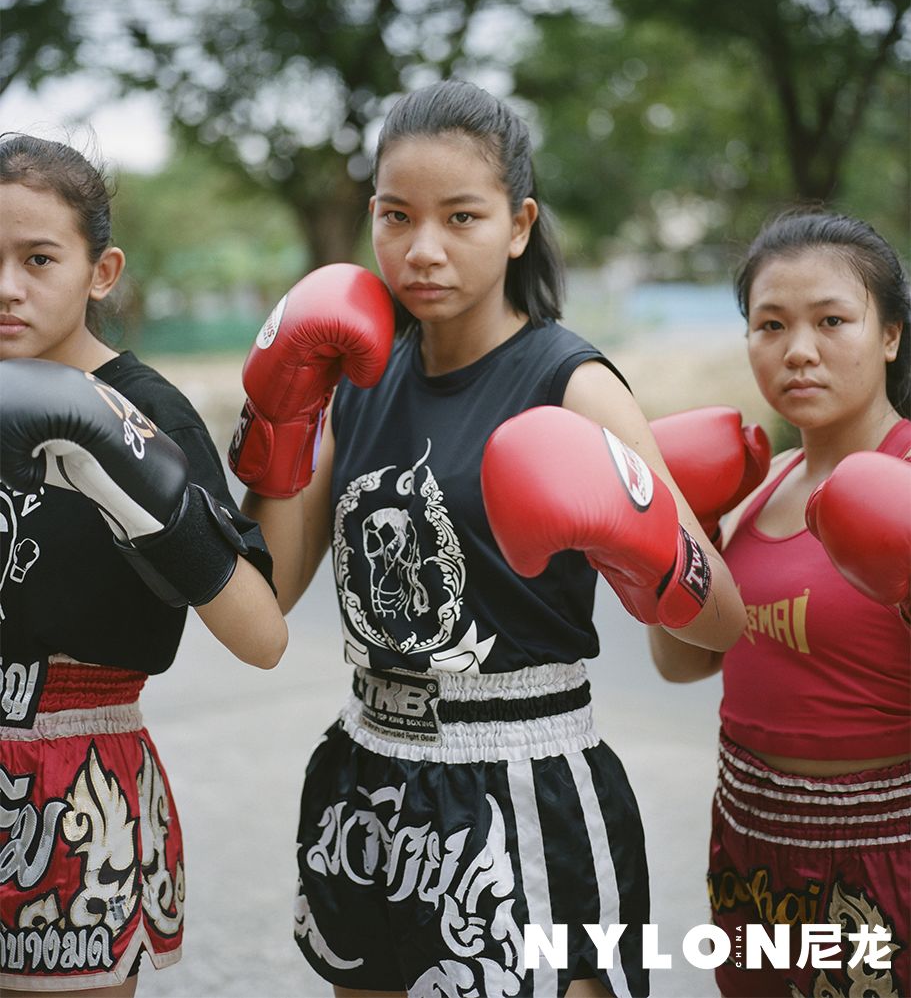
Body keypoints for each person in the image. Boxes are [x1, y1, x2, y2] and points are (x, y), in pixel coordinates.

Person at [232, 78, 746, 997]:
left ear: (517, 224)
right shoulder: (354, 375)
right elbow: (266, 600)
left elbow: (722, 620)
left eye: (460, 217)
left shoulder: (571, 382)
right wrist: (275, 424)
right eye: (396, 216)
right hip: (370, 770)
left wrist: (650, 547)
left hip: (521, 779)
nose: (421, 248)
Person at [0, 134, 288, 996]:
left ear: (101, 269)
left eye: (38, 257)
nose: (6, 286)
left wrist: (129, 484)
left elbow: (264, 635)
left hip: (72, 783)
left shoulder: (147, 409)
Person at [648, 209, 911, 998]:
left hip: (884, 852)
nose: (798, 349)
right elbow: (685, 661)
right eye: (769, 324)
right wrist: (673, 536)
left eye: (831, 319)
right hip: (750, 844)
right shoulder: (750, 490)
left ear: (890, 334)